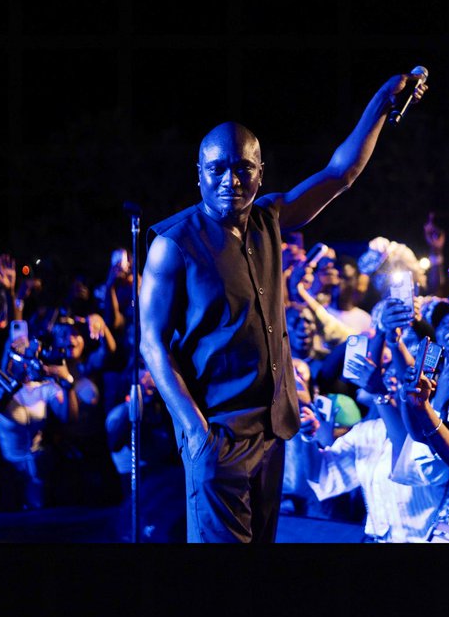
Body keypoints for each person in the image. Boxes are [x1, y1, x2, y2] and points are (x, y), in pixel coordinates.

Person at [139, 71, 427, 543]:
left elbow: (340, 174)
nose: (231, 179)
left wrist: (380, 103)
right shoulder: (174, 245)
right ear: (199, 174)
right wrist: (195, 433)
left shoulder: (267, 219)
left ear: (259, 172)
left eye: (243, 168)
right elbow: (151, 344)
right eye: (217, 169)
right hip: (219, 434)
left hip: (273, 433)